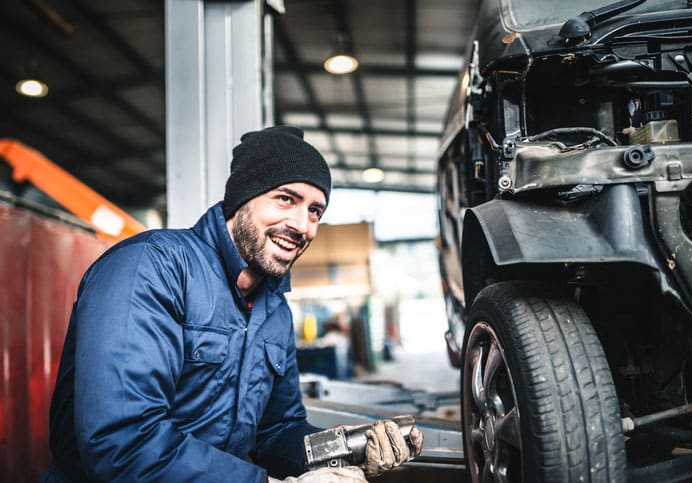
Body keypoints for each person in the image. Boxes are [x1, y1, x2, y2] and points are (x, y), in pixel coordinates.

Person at [39, 126, 423, 482]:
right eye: (285, 199)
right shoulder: (150, 268)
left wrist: (349, 448)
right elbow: (121, 440)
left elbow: (278, 432)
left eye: (314, 211)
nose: (303, 225)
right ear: (241, 199)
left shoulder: (274, 310)